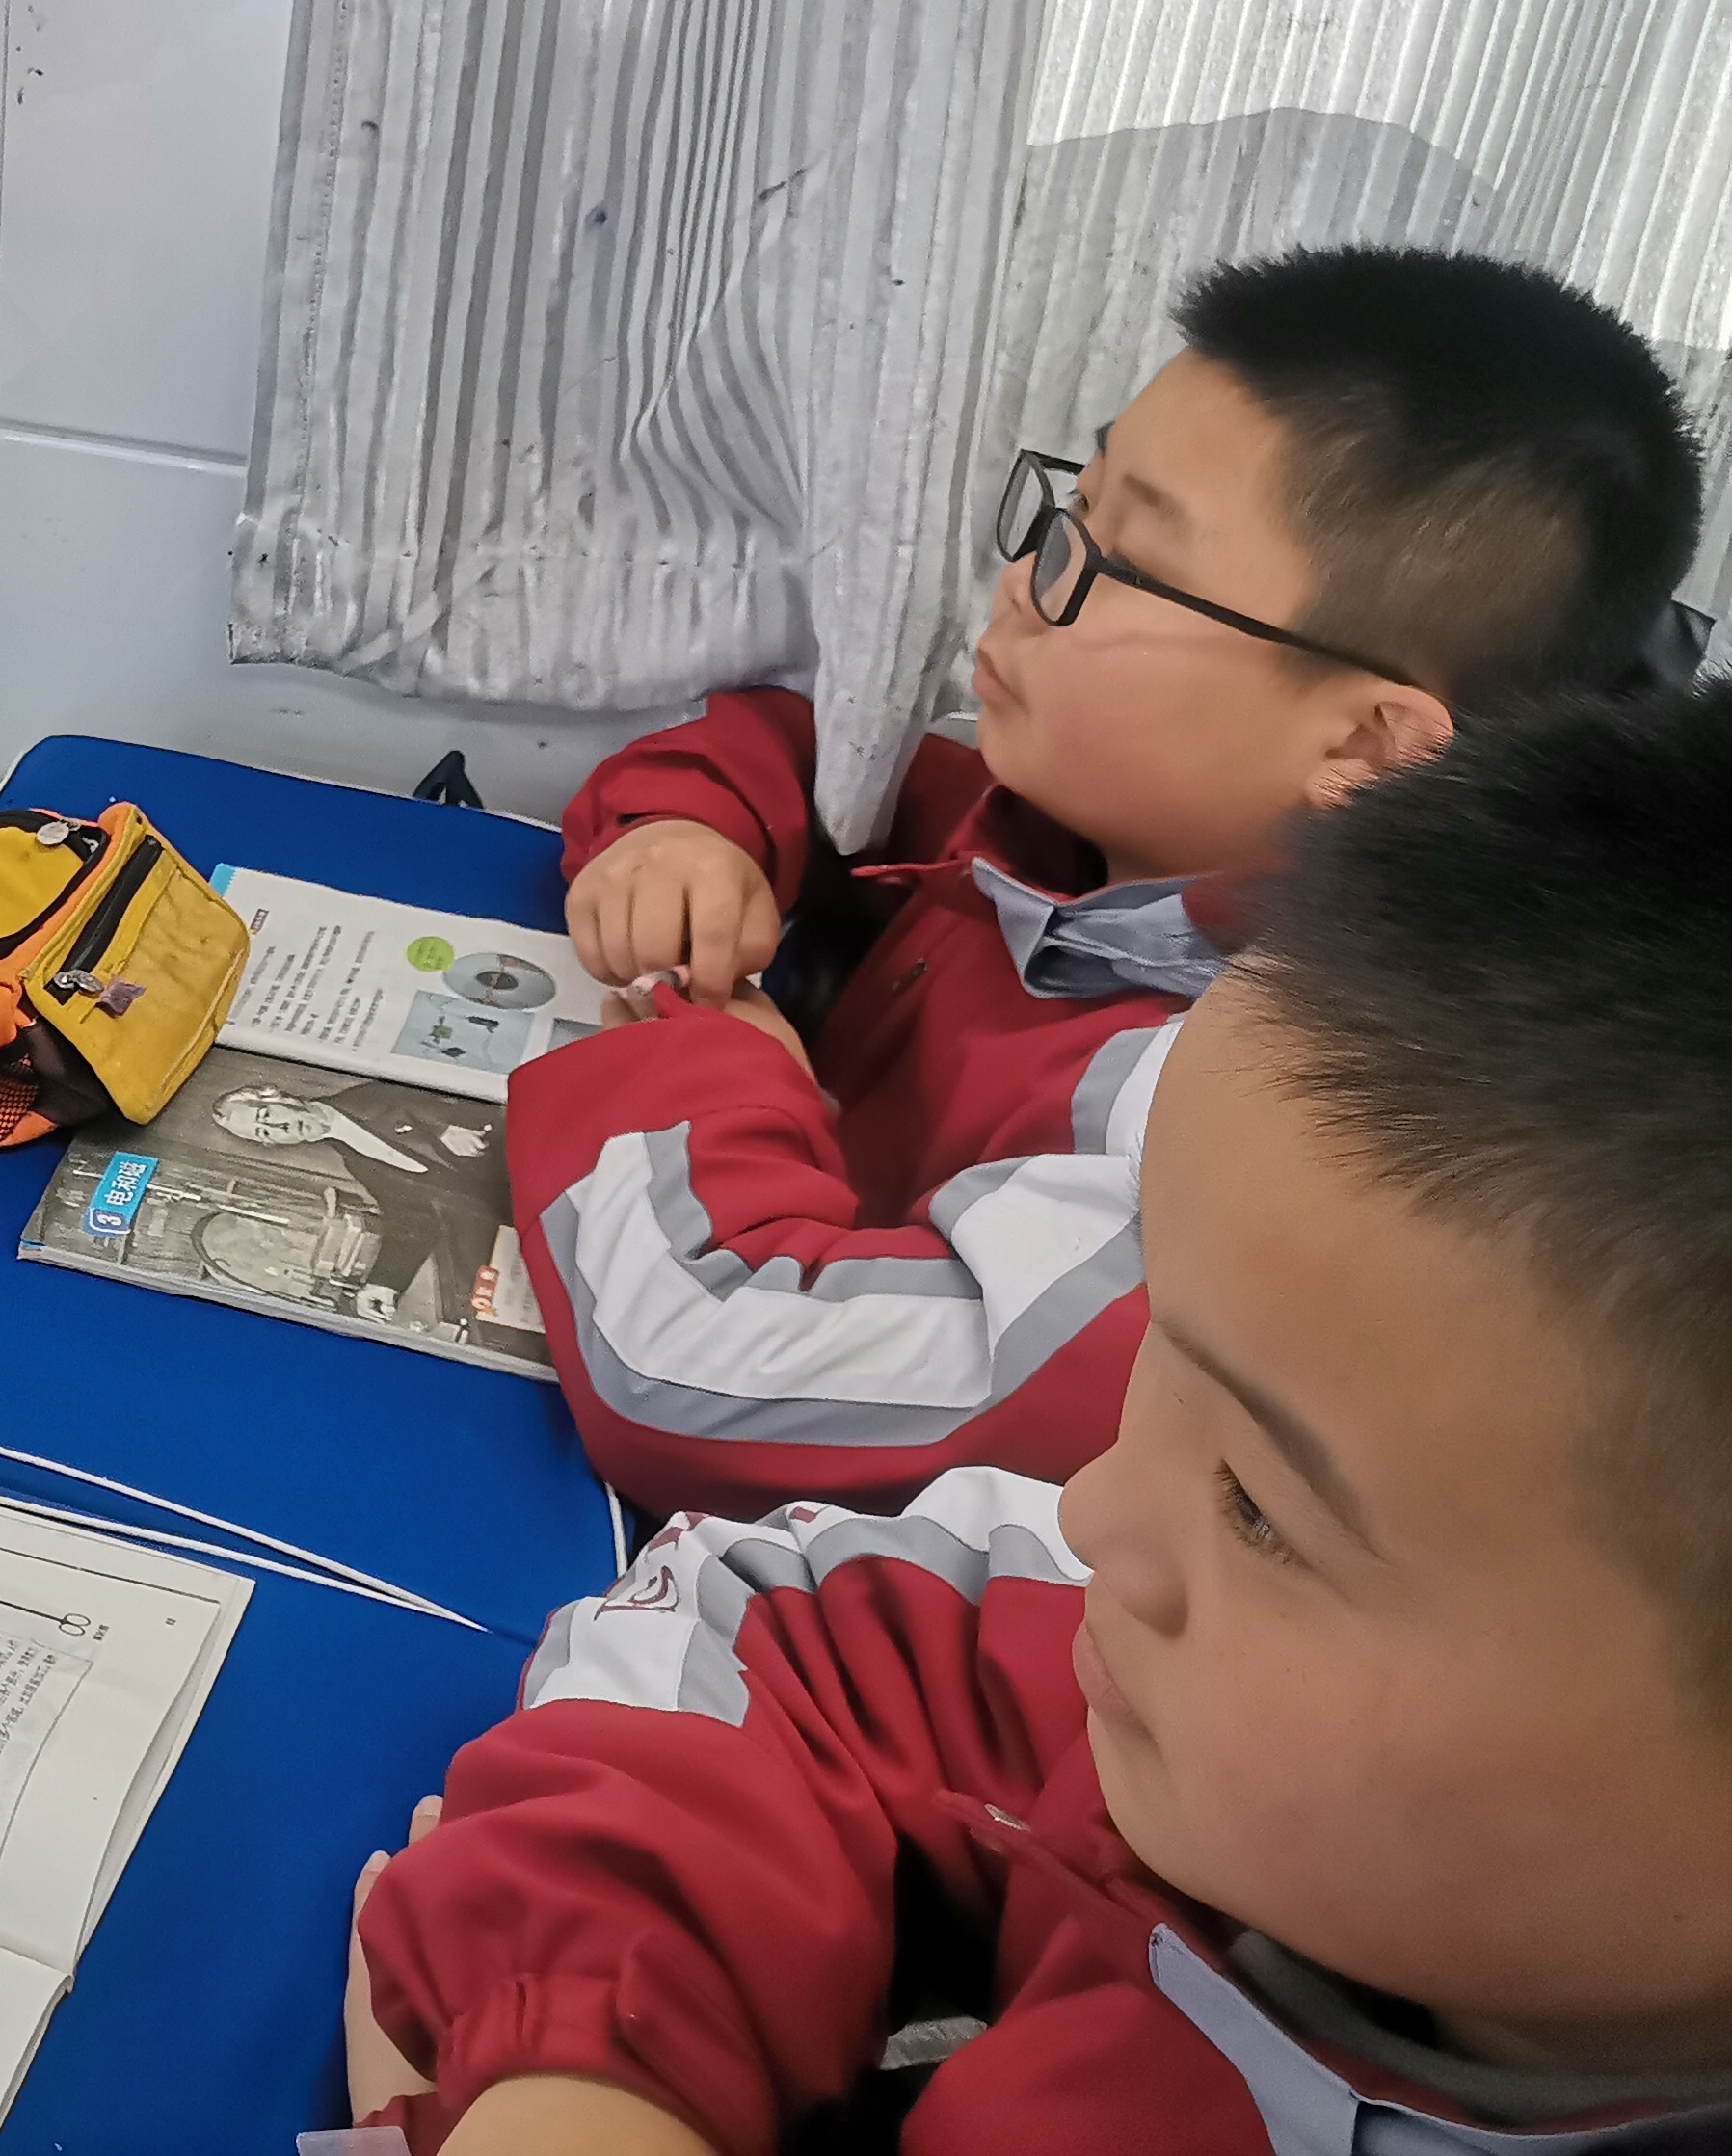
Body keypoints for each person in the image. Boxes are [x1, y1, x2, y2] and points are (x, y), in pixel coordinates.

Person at [342, 681, 1732, 2152]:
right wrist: (581, 2066)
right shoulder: (1271, 1742)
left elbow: (700, 1352)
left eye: (1259, 1509)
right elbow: (787, 1626)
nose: (1090, 1506)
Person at [510, 248, 1701, 1518]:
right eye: (1072, 509)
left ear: (1364, 744)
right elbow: (808, 750)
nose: (1026, 583)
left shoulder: (1233, 1143)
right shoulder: (1086, 829)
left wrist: (699, 1046)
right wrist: (684, 833)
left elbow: (700, 1371)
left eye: (1121, 564)